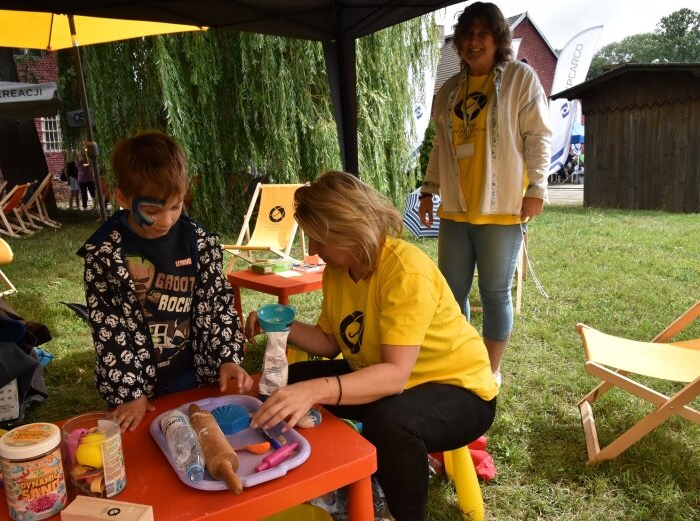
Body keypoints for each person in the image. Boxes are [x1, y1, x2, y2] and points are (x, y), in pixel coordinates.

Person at [247, 171, 498, 521]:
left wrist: (316, 390)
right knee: (287, 381)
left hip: (459, 391)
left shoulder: (404, 270)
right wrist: (281, 327)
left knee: (388, 421)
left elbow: (394, 376)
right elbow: (330, 342)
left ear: (348, 228)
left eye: (319, 239)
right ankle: (305, 477)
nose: (314, 250)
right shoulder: (338, 269)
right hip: (386, 379)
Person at [77, 131, 252, 432]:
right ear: (122, 199)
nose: (166, 220)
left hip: (194, 373)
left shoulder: (198, 243)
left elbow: (218, 304)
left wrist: (227, 356)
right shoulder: (105, 253)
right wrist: (130, 392)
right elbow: (109, 327)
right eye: (151, 210)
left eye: (176, 206)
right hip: (136, 384)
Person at [417, 1, 551, 386]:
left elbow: (538, 135)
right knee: (452, 292)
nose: (473, 42)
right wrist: (428, 192)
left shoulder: (521, 79)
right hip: (456, 211)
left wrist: (536, 188)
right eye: (466, 34)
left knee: (494, 294)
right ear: (458, 42)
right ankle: (461, 360)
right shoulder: (447, 92)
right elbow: (440, 147)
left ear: (497, 39)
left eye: (482, 34)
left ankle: (489, 369)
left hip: (502, 209)